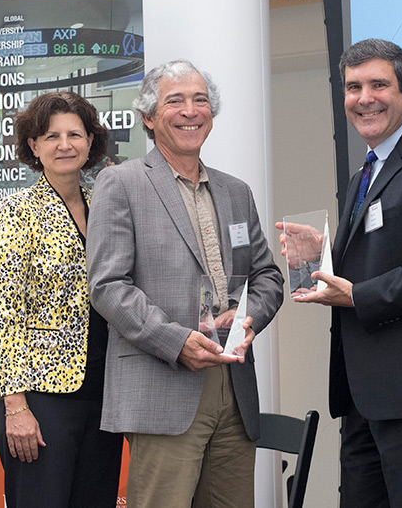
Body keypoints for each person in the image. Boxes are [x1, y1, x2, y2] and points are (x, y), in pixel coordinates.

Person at [285, 39, 402, 508]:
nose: (364, 98)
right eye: (353, 87)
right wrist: (320, 259)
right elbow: (379, 259)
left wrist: (358, 297)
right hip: (363, 397)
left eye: (378, 85)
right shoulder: (365, 173)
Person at [86, 60, 284, 508]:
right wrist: (176, 342)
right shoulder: (120, 183)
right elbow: (107, 285)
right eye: (175, 100)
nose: (190, 110)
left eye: (200, 100)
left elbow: (268, 275)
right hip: (163, 383)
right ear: (149, 118)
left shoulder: (236, 191)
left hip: (233, 386)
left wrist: (249, 315)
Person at [0, 91, 121, 508]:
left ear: (90, 141)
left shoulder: (108, 204)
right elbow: (4, 313)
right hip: (42, 401)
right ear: (33, 146)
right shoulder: (14, 211)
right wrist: (16, 407)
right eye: (52, 136)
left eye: (75, 134)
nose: (65, 144)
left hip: (106, 395)